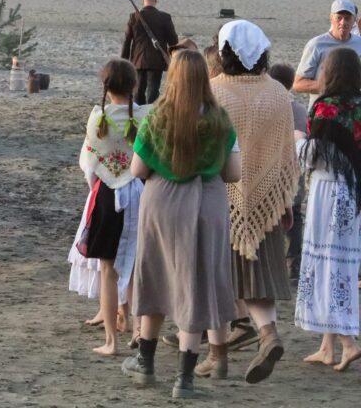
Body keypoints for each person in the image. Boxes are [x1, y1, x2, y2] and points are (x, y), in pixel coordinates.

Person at [122, 50, 240, 400]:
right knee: (197, 284)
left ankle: (145, 364)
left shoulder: (157, 116)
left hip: (162, 202)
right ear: (205, 77)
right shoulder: (220, 119)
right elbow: (234, 173)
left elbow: (137, 171)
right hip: (206, 202)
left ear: (172, 77)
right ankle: (184, 379)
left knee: (155, 275)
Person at [207, 21, 299, 383]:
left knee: (216, 277)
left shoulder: (212, 91)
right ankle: (268, 334)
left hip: (218, 195)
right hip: (267, 198)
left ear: (224, 51)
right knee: (258, 273)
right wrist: (284, 199)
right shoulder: (278, 93)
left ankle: (216, 356)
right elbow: (285, 155)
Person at [68, 58, 148, 356]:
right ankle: (140, 331)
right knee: (139, 266)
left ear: (105, 86)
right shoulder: (146, 116)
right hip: (139, 193)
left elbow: (88, 162)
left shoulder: (97, 118)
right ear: (134, 84)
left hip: (105, 196)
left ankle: (111, 340)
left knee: (107, 270)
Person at [295, 47, 361, 371]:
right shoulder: (358, 107)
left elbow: (315, 155)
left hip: (327, 192)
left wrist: (295, 142)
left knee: (325, 265)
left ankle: (348, 343)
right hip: (353, 193)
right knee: (341, 267)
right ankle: (327, 346)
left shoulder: (326, 108)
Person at [269, 62, 308, 281]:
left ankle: (274, 265)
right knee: (295, 220)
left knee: (272, 221)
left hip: (271, 172)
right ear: (292, 84)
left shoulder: (264, 106)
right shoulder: (299, 110)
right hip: (293, 173)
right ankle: (293, 265)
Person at [293, 0, 361, 108]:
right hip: (324, 113)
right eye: (339, 18)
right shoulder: (316, 45)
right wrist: (331, 85)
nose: (343, 23)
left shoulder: (359, 44)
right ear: (331, 18)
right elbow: (298, 84)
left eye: (347, 18)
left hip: (353, 113)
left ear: (354, 21)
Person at [121, 0, 179, 105]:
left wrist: (124, 61)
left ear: (142, 0)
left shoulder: (134, 17)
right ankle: (151, 116)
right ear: (156, 0)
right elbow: (173, 41)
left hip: (138, 60)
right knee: (153, 91)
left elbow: (127, 41)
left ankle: (138, 116)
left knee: (138, 91)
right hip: (157, 60)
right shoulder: (165, 17)